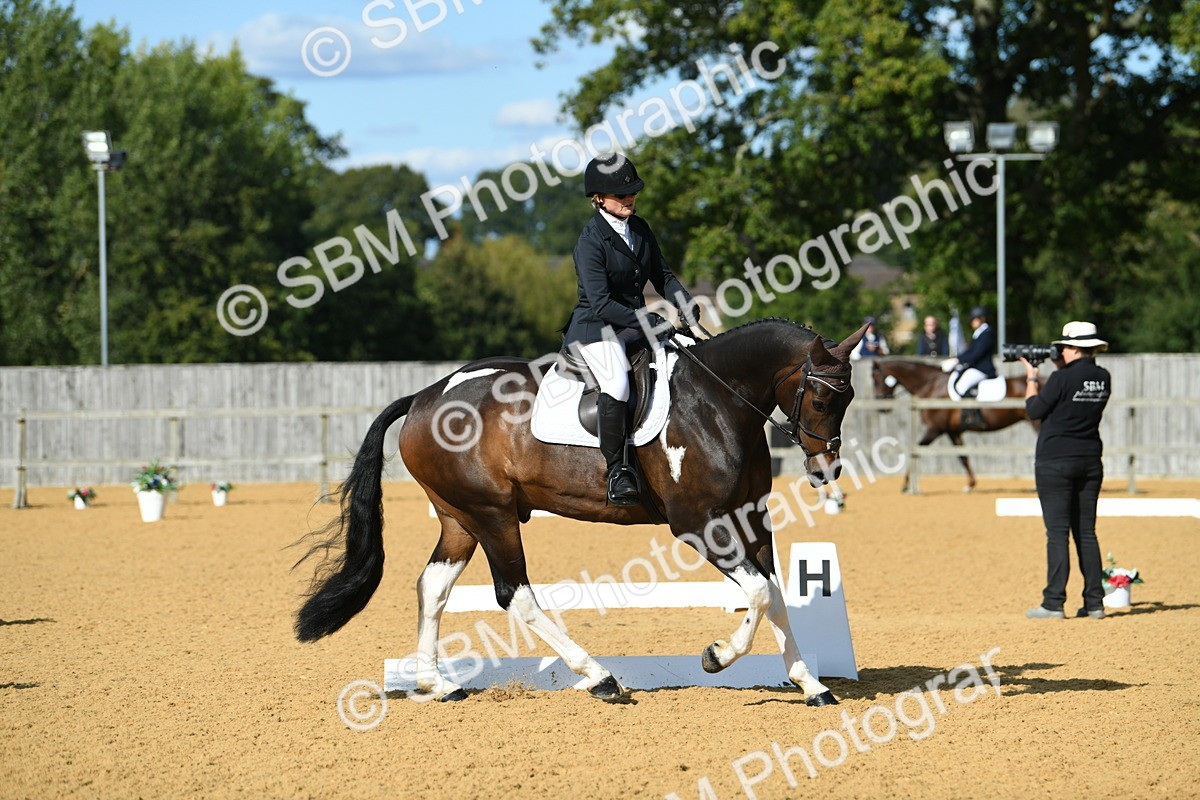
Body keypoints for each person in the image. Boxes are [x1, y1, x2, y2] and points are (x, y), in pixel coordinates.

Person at [562, 152, 703, 506]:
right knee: (617, 383)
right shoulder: (590, 241)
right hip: (597, 329)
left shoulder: (639, 228)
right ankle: (618, 470)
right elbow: (601, 304)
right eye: (621, 195)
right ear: (598, 198)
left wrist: (684, 305)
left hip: (634, 323)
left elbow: (664, 276)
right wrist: (649, 320)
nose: (630, 199)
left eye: (632, 193)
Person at [1020, 321, 1112, 620]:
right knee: (1087, 533)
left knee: (1057, 534)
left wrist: (1032, 377)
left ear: (1073, 348)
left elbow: (1034, 409)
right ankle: (1095, 602)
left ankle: (1053, 602)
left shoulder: (1060, 378)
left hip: (1055, 460)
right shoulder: (1103, 377)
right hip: (1089, 460)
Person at [941, 305, 996, 397]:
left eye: (974, 319)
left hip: (982, 369)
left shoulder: (986, 333)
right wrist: (957, 359)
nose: (972, 322)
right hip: (976, 367)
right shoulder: (979, 333)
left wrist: (957, 360)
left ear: (982, 319)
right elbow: (970, 351)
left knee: (960, 387)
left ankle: (968, 411)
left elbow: (976, 353)